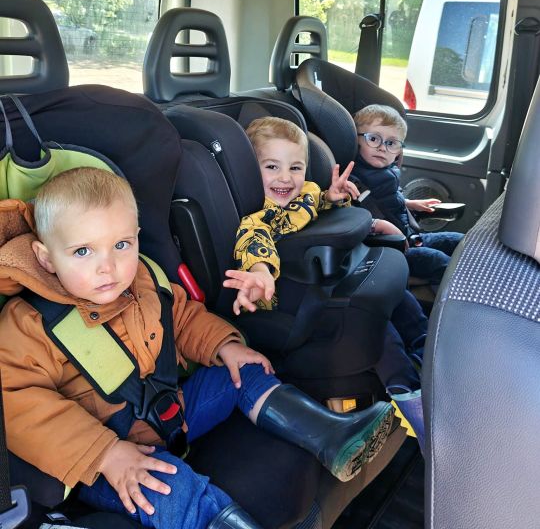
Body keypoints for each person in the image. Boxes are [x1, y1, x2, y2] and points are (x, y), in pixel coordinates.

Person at [0, 167, 395, 529]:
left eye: (121, 244)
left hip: (171, 411)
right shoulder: (29, 323)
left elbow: (182, 319)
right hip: (109, 460)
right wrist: (104, 453)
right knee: (170, 488)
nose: (108, 266)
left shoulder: (143, 279)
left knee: (241, 372)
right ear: (46, 258)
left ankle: (331, 435)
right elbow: (17, 405)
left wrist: (224, 346)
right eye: (83, 251)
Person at [223, 117, 427, 452]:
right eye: (272, 167)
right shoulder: (259, 218)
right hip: (294, 294)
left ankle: (426, 352)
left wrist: (333, 197)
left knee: (400, 298)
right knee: (376, 323)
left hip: (326, 276)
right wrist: (260, 272)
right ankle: (409, 397)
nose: (285, 178)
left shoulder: (304, 192)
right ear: (250, 170)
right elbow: (254, 244)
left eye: (295, 167)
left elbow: (316, 204)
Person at [352, 104, 464, 287]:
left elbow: (385, 200)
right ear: (355, 140)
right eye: (373, 139)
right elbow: (352, 214)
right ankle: (462, 292)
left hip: (409, 238)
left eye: (391, 143)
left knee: (460, 241)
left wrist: (409, 203)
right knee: (437, 260)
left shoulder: (387, 172)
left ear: (399, 150)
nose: (382, 148)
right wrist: (378, 225)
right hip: (385, 249)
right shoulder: (352, 178)